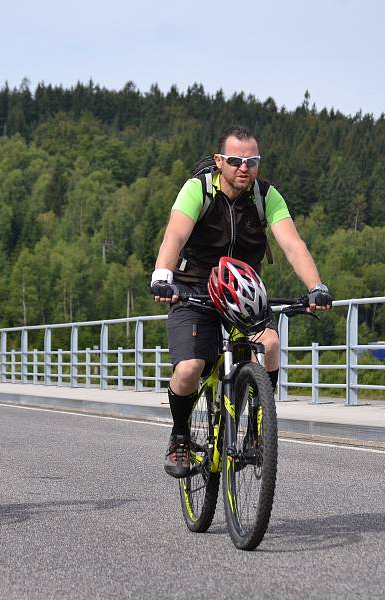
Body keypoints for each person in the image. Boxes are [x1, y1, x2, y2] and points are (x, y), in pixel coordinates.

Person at [150, 126, 332, 478]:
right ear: (220, 161)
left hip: (243, 292)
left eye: (251, 161)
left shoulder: (266, 196)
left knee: (271, 344)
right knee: (189, 368)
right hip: (193, 289)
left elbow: (292, 244)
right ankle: (180, 435)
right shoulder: (198, 190)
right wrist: (162, 277)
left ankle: (255, 431)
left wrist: (316, 287)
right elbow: (174, 235)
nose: (243, 168)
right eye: (235, 161)